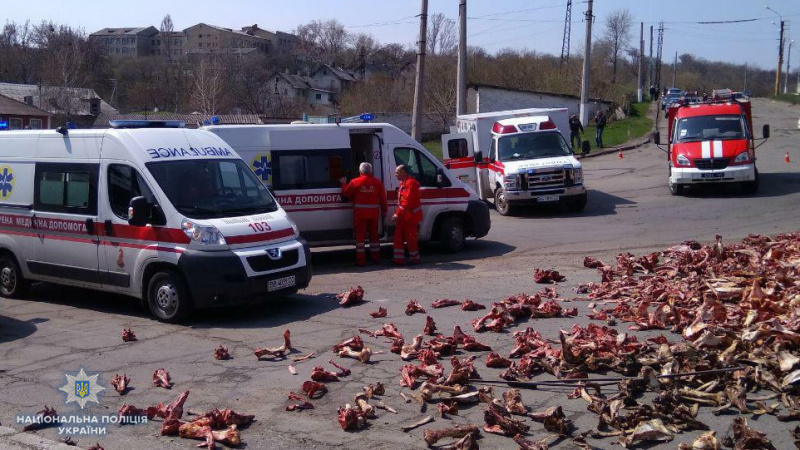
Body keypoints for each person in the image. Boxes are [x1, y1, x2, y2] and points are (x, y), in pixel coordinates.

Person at [340, 162, 387, 266]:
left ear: (360, 171)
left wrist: (343, 183)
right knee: (374, 237)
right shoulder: (377, 182)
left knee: (360, 239)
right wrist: (384, 210)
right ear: (371, 171)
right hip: (374, 214)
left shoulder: (355, 182)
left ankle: (360, 261)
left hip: (360, 215)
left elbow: (346, 193)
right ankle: (376, 259)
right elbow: (383, 199)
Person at [391, 164, 422, 266]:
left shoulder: (410, 184)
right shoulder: (404, 183)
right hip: (404, 216)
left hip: (410, 217)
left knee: (411, 238)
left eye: (397, 172)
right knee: (398, 237)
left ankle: (415, 259)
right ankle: (399, 260)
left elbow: (407, 202)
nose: (395, 175)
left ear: (403, 172)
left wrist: (397, 213)